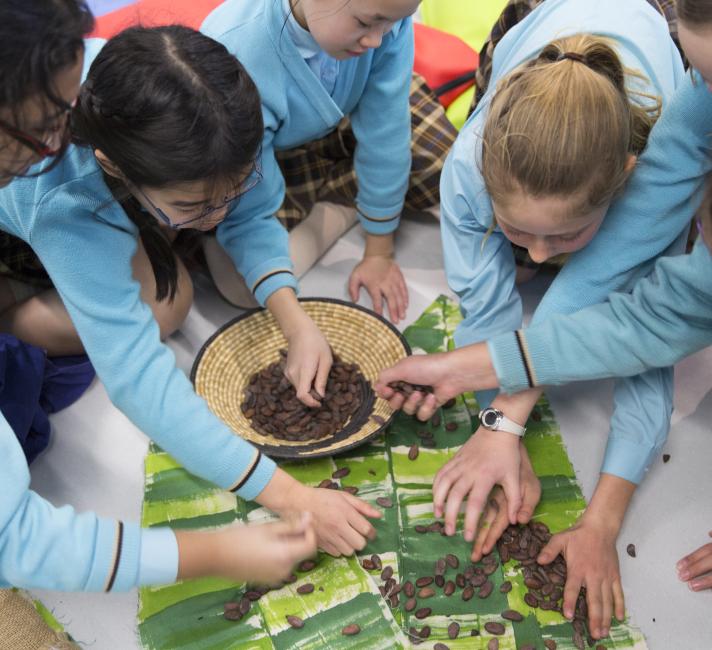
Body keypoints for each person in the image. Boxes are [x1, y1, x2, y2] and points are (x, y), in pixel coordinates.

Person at [0, 22, 379, 597]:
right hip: (26, 227)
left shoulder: (219, 117)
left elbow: (251, 214)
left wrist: (295, 321)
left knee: (179, 287)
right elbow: (137, 378)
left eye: (234, 187)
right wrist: (289, 496)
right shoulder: (58, 196)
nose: (218, 215)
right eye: (192, 205)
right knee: (163, 311)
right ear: (115, 167)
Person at [378, 0, 712, 616]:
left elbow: (645, 325)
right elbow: (493, 301)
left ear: (627, 178)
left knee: (581, 264)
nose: (532, 253)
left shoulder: (664, 144)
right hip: (535, 22)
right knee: (533, 254)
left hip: (639, 106)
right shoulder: (472, 167)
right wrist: (498, 422)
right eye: (513, 230)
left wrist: (603, 517)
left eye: (562, 235)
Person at [200, 0, 456, 326]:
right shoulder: (237, 52)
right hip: (270, 153)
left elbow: (387, 130)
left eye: (391, 24)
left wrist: (379, 250)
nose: (377, 40)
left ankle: (352, 197)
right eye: (366, 22)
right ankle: (347, 199)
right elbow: (251, 198)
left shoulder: (387, 27)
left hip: (346, 115)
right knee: (245, 284)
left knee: (446, 167)